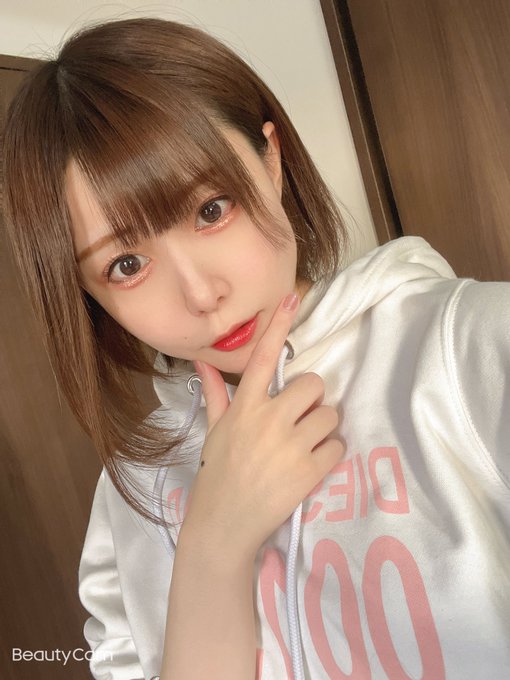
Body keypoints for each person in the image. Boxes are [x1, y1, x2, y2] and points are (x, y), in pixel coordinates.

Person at [3, 16, 510, 680]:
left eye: (211, 209)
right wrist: (213, 547)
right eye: (125, 265)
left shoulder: (471, 347)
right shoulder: (131, 490)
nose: (202, 294)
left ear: (271, 160)